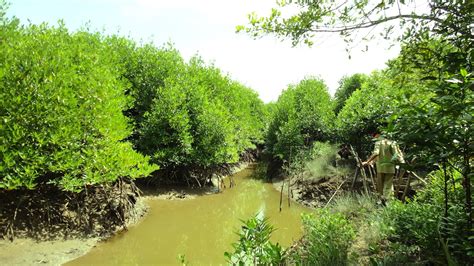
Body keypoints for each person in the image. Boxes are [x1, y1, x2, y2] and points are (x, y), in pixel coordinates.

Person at [362, 132, 404, 202]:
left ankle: (383, 200)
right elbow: (397, 155)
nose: (375, 138)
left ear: (379, 135)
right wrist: (402, 163)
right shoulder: (393, 143)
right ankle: (389, 200)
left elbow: (376, 153)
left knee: (380, 185)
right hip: (390, 167)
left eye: (375, 136)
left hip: (381, 167)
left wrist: (367, 161)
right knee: (389, 184)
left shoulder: (378, 143)